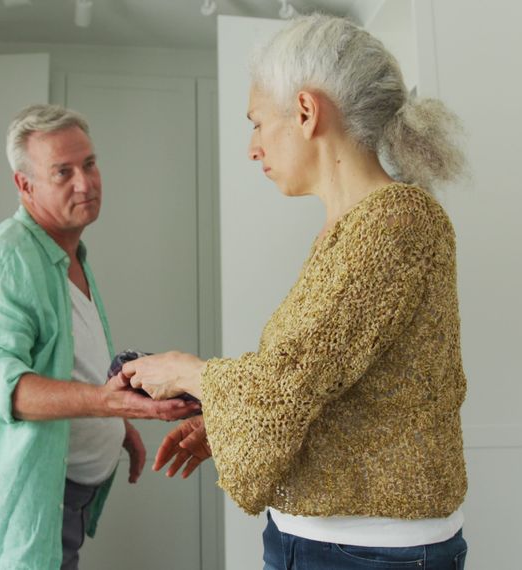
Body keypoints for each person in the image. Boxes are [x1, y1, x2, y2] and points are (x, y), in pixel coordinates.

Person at [122, 14, 469, 569]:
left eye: (258, 123)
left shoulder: (397, 222)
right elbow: (321, 385)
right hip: (319, 541)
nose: (252, 148)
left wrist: (190, 374)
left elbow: (291, 379)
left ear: (306, 112)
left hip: (368, 552)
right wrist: (229, 418)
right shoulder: (352, 229)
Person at [0, 104, 199, 570]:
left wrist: (114, 426)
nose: (85, 183)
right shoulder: (3, 260)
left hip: (53, 508)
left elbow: (65, 364)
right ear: (25, 185)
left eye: (89, 164)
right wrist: (110, 405)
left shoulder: (69, 254)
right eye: (63, 172)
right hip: (4, 515)